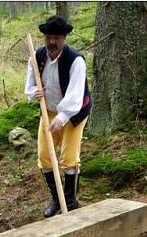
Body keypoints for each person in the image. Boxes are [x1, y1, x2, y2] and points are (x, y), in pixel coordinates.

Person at [24, 15, 92, 217]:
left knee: (69, 157)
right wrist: (34, 93)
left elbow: (75, 97)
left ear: (64, 38)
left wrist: (61, 119)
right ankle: (57, 199)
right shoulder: (37, 58)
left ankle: (70, 202)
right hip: (49, 111)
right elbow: (29, 86)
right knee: (45, 157)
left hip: (74, 112)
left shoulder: (75, 61)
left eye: (57, 38)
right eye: (49, 37)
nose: (52, 42)